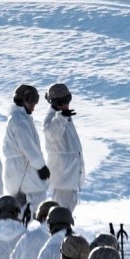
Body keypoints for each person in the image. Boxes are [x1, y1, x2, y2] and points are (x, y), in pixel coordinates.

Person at [3, 83, 50, 217]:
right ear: (21, 100)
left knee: (22, 207)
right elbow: (27, 146)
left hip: (20, 169)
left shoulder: (20, 118)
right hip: (22, 170)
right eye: (31, 101)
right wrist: (40, 166)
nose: (33, 105)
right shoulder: (19, 120)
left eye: (35, 101)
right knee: (33, 203)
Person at [42, 82, 86, 210]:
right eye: (60, 102)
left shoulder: (63, 116)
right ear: (53, 103)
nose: (65, 105)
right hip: (62, 176)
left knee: (69, 207)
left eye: (67, 100)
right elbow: (51, 133)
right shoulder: (52, 117)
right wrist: (61, 117)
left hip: (70, 175)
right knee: (60, 210)